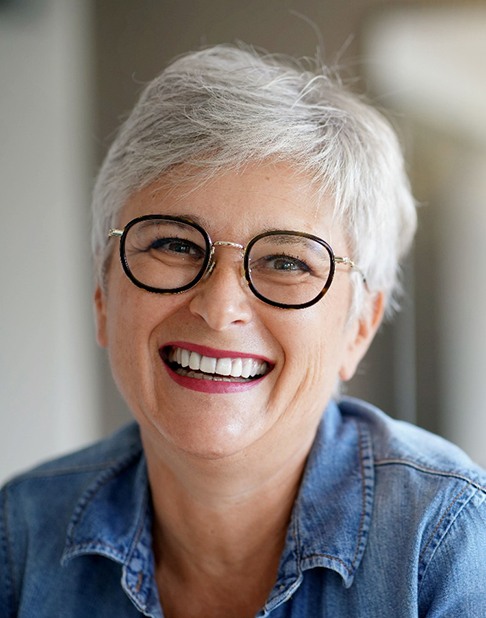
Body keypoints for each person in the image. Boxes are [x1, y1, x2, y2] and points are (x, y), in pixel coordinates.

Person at [1, 44, 485, 618]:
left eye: (287, 261)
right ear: (103, 296)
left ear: (359, 327)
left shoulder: (449, 545)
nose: (220, 306)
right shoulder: (22, 535)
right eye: (175, 244)